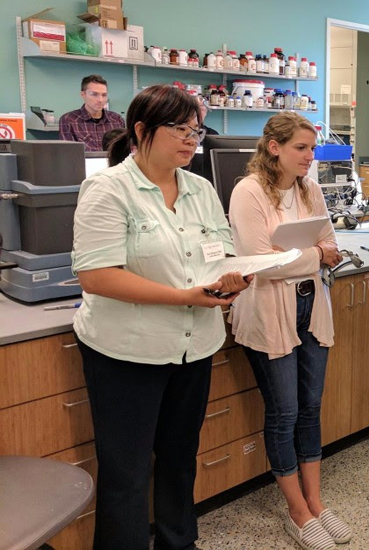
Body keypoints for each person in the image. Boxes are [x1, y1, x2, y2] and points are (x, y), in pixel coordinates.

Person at [71, 84, 250, 549]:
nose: (192, 140)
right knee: (126, 473)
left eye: (197, 131)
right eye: (180, 129)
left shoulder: (201, 189)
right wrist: (184, 296)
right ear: (141, 130)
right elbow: (96, 276)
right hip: (128, 351)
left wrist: (234, 278)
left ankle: (179, 543)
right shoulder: (109, 188)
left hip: (194, 347)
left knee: (179, 459)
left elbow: (222, 250)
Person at [228, 111, 350, 550]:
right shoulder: (248, 192)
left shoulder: (309, 188)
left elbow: (331, 244)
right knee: (284, 413)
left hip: (311, 307)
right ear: (274, 147)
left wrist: (304, 254)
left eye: (312, 148)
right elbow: (262, 264)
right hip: (268, 313)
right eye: (301, 147)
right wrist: (313, 255)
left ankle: (315, 501)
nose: (310, 156)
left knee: (311, 408)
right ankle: (297, 512)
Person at [59, 74, 126, 152]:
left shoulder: (117, 120)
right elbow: (69, 153)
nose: (100, 100)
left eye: (104, 95)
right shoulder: (69, 120)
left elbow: (123, 151)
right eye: (94, 94)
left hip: (112, 160)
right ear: (83, 95)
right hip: (83, 160)